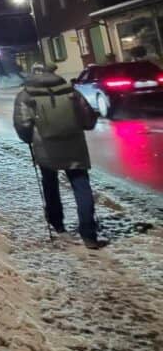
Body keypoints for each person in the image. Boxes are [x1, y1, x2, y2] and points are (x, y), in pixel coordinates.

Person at [13, 63, 108, 249]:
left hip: (45, 146)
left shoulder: (26, 95)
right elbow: (88, 118)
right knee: (81, 186)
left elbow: (23, 124)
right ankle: (89, 235)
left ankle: (58, 225)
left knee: (50, 184)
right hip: (74, 144)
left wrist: (28, 139)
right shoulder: (69, 91)